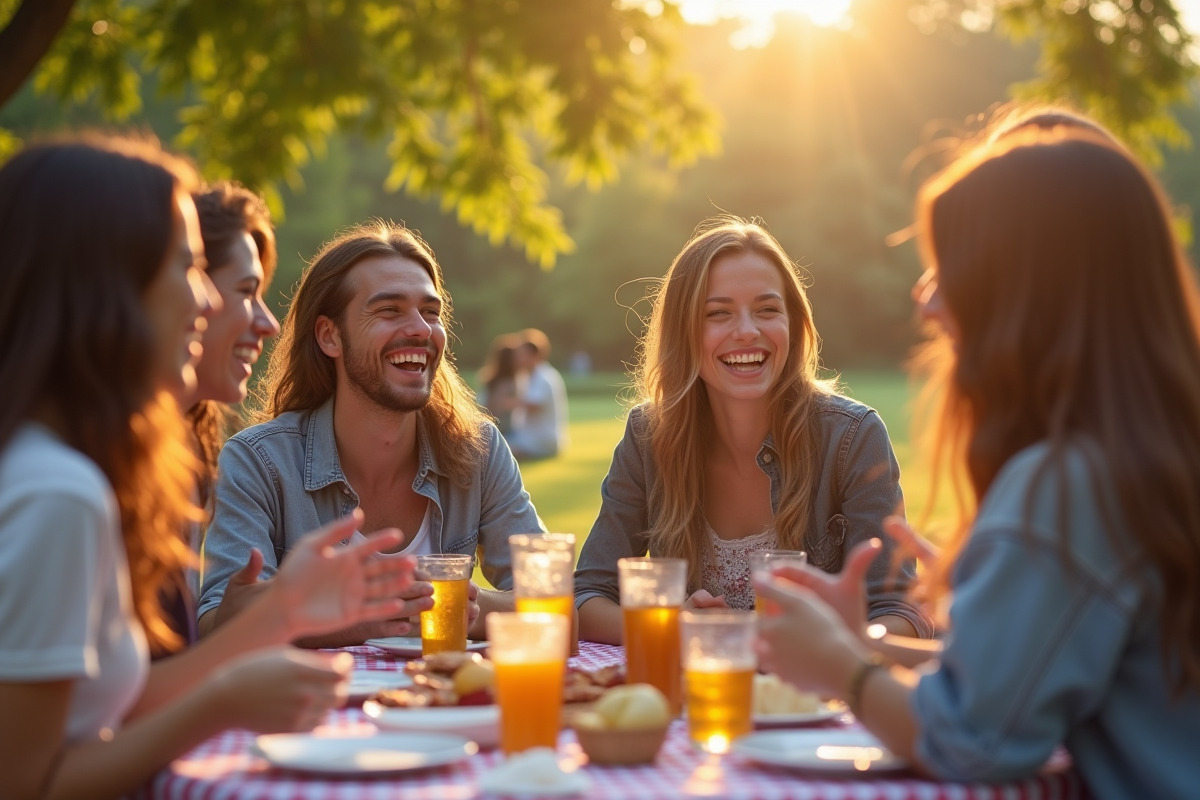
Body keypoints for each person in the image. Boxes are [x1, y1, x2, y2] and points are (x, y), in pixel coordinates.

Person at [755, 128, 1200, 798]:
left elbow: (969, 740)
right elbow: (1022, 684)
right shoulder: (1157, 450)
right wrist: (871, 648)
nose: (927, 299)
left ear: (1029, 289)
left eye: (952, 265)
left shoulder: (1067, 489)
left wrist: (842, 670)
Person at [0, 134, 413, 800]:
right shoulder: (58, 492)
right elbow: (23, 783)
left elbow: (102, 708)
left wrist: (281, 609)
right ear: (106, 281)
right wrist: (219, 703)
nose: (204, 300)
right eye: (187, 267)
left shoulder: (59, 467)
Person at [575, 217, 930, 642]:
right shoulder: (649, 436)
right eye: (718, 313)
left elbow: (902, 613)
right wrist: (675, 628)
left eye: (767, 310)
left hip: (809, 701)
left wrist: (822, 641)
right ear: (682, 332)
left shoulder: (852, 438)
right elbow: (588, 596)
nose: (747, 331)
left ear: (794, 325)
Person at [198, 220, 546, 646]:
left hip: (445, 707)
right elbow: (219, 623)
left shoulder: (479, 450)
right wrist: (364, 613)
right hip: (321, 710)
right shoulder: (258, 461)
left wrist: (450, 602)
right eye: (389, 310)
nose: (420, 328)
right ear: (330, 336)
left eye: (431, 312)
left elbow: (551, 603)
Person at [506, 327, 569, 460]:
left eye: (521, 354)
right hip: (530, 437)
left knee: (496, 450)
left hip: (541, 440)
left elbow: (534, 405)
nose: (517, 358)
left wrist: (505, 403)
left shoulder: (544, 377)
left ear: (533, 355)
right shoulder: (529, 376)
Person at [477, 333, 527, 436]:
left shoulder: (491, 378)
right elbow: (496, 410)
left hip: (490, 427)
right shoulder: (507, 383)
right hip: (503, 431)